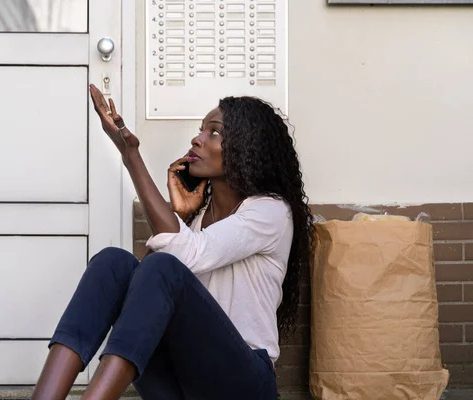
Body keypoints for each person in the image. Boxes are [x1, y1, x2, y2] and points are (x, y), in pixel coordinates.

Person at [30, 84, 315, 400]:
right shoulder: (196, 220)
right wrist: (178, 214)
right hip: (184, 382)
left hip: (242, 384)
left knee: (163, 266)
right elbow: (145, 285)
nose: (197, 139)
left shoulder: (270, 211)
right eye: (200, 131)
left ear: (248, 147)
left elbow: (179, 260)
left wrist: (130, 155)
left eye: (214, 132)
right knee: (113, 263)